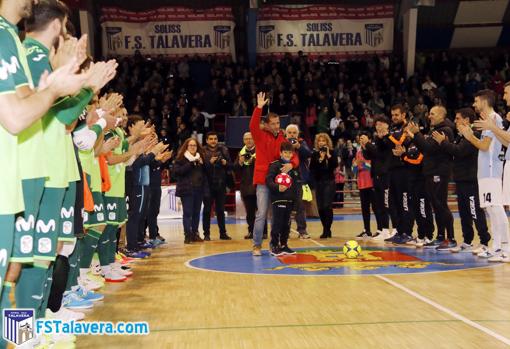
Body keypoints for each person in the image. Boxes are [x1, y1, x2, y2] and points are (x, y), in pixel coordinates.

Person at [432, 108, 490, 253]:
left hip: (470, 180)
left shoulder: (474, 134)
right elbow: (455, 151)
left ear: (466, 120)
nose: (455, 121)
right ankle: (467, 241)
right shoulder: (460, 136)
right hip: (461, 179)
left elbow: (459, 151)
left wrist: (443, 142)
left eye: (458, 118)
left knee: (475, 211)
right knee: (464, 213)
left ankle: (484, 241)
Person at [461, 89, 510, 262]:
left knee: (496, 208)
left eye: (476, 101)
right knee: (490, 209)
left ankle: (505, 246)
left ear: (484, 101)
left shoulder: (494, 119)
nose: (474, 104)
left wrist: (469, 137)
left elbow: (484, 146)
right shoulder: (487, 120)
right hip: (485, 171)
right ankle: (496, 247)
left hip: (491, 170)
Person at [249, 92, 298, 256]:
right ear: (267, 124)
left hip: (280, 183)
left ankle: (277, 245)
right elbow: (252, 126)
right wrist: (259, 107)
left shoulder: (283, 138)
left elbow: (294, 156)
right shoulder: (260, 136)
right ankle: (256, 245)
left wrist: (292, 164)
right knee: (262, 214)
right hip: (263, 181)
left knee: (280, 216)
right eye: (274, 123)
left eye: (278, 123)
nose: (277, 126)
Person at [406, 105, 456, 250]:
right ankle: (440, 236)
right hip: (431, 172)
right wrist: (415, 137)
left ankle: (451, 238)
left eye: (433, 114)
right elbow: (425, 148)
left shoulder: (444, 130)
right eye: (430, 114)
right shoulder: (434, 130)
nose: (430, 116)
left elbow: (428, 148)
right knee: (436, 205)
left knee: (441, 204)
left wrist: (416, 134)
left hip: (439, 173)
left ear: (442, 116)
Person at [360, 116, 393, 240]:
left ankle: (392, 230)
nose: (378, 127)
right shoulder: (377, 139)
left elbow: (380, 154)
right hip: (377, 175)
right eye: (376, 124)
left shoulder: (388, 138)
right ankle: (383, 229)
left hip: (386, 175)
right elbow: (370, 156)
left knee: (386, 204)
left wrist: (368, 143)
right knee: (379, 205)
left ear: (387, 125)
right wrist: (364, 146)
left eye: (380, 124)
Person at [265, 142, 299, 256]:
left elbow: (295, 186)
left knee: (287, 224)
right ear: (280, 153)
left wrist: (295, 201)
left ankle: (284, 245)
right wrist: (278, 187)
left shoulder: (293, 168)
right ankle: (274, 245)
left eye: (290, 153)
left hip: (289, 200)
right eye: (285, 152)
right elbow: (268, 180)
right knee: (277, 223)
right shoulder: (275, 165)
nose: (287, 155)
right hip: (278, 199)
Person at [173, 138, 209, 244]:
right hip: (186, 190)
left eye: (195, 145)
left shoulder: (201, 158)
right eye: (190, 145)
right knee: (187, 213)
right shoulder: (181, 158)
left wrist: (204, 163)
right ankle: (187, 235)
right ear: (186, 147)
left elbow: (208, 172)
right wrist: (190, 164)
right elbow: (177, 172)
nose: (193, 147)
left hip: (199, 189)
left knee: (197, 213)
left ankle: (195, 234)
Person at [235, 132, 267, 240]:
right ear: (243, 141)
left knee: (261, 211)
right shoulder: (241, 153)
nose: (248, 141)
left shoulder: (260, 151)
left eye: (250, 138)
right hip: (246, 187)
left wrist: (254, 160)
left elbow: (265, 166)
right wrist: (240, 162)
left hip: (259, 185)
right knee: (250, 213)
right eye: (246, 139)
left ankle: (264, 232)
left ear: (254, 139)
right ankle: (251, 231)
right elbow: (235, 170)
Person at [202, 131, 232, 241]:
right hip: (207, 185)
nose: (213, 141)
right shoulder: (203, 151)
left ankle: (223, 233)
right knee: (207, 210)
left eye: (215, 138)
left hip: (221, 184)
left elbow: (230, 166)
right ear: (206, 140)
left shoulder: (224, 149)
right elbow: (201, 169)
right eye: (211, 139)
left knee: (220, 210)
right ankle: (206, 234)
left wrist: (225, 163)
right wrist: (209, 162)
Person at [285, 124, 312, 239]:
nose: (292, 135)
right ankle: (285, 231)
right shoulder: (282, 144)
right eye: (290, 133)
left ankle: (302, 230)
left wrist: (298, 146)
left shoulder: (302, 143)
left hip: (299, 179)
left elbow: (308, 154)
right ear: (286, 134)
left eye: (294, 133)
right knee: (285, 206)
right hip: (285, 179)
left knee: (300, 206)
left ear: (298, 134)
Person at [310, 133, 338, 238]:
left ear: (327, 142)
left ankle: (327, 229)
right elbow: (312, 169)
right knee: (320, 207)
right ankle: (325, 228)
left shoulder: (332, 152)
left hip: (329, 182)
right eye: (319, 141)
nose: (321, 142)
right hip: (319, 182)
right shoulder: (314, 154)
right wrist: (321, 160)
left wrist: (328, 156)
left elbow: (335, 165)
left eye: (323, 141)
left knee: (327, 206)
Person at [354, 133, 377, 238]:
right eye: (360, 139)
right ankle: (366, 229)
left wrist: (360, 164)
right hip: (362, 184)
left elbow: (371, 166)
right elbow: (354, 169)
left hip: (371, 183)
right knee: (364, 208)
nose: (361, 140)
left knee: (376, 207)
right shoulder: (358, 152)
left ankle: (380, 229)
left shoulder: (371, 150)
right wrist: (356, 165)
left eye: (363, 138)